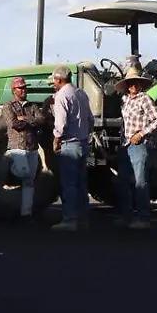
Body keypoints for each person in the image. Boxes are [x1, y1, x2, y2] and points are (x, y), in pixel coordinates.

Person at [115, 66, 157, 229]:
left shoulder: (144, 99)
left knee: (140, 182)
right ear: (127, 85)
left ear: (140, 84)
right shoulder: (125, 100)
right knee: (123, 181)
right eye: (131, 83)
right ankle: (125, 216)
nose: (133, 86)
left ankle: (143, 217)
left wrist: (141, 134)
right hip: (125, 145)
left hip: (138, 145)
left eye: (136, 83)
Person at [50, 65, 93, 231]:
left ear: (59, 79)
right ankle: (83, 219)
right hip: (83, 143)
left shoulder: (61, 96)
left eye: (54, 80)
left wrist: (56, 139)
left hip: (70, 144)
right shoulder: (81, 93)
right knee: (81, 183)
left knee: (69, 184)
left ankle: (69, 220)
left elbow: (61, 124)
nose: (53, 83)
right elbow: (90, 119)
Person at [2, 76, 49, 220]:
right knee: (23, 172)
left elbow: (41, 120)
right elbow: (14, 124)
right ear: (14, 90)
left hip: (32, 147)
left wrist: (25, 119)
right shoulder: (9, 105)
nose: (23, 90)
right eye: (20, 88)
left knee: (29, 181)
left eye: (24, 87)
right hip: (17, 147)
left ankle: (26, 213)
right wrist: (28, 121)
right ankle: (7, 170)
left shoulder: (32, 106)